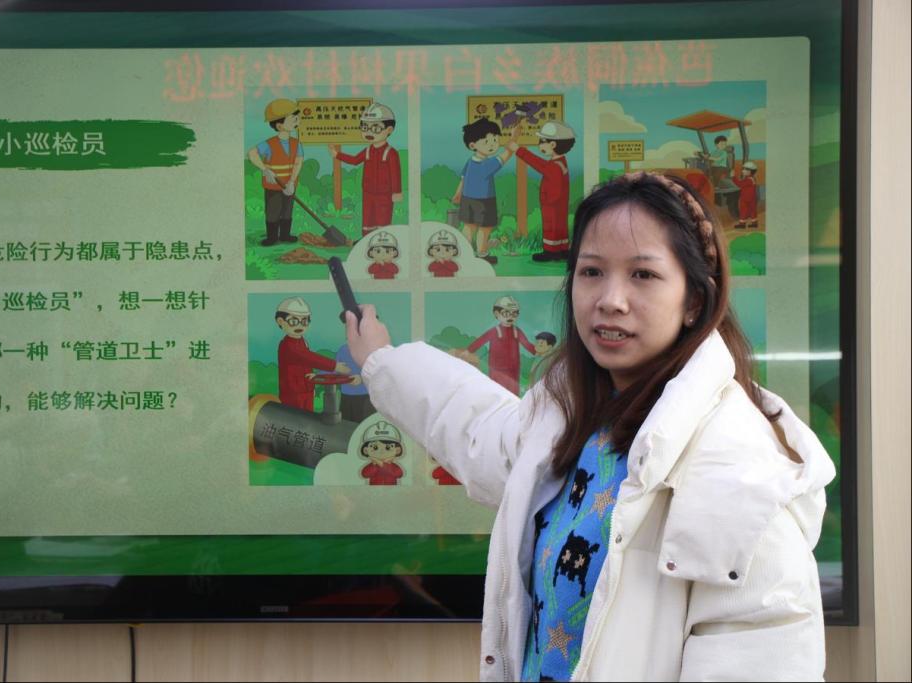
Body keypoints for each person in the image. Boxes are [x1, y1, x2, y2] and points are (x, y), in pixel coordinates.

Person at [344, 172, 834, 681]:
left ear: (694, 300)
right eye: (592, 271)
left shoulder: (739, 471)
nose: (610, 299)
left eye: (643, 274)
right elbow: (483, 432)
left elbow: (760, 654)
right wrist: (383, 361)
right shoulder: (574, 415)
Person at [329, 102, 403, 237]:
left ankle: (382, 240)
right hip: (368, 192)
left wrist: (396, 192)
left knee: (383, 218)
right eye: (365, 127)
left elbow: (395, 174)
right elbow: (354, 160)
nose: (369, 132)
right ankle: (366, 240)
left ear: (389, 130)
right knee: (368, 217)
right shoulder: (368, 150)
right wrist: (337, 155)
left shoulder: (391, 153)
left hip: (384, 195)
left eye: (375, 128)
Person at [506, 121, 576, 262]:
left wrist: (518, 149)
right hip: (560, 203)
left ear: (553, 144)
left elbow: (537, 163)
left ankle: (551, 252)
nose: (539, 145)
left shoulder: (554, 165)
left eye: (542, 142)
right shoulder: (561, 162)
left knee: (551, 226)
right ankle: (562, 249)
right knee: (560, 225)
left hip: (551, 203)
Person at [453, 117, 517, 265]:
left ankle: (464, 253)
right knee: (485, 228)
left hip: (467, 199)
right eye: (487, 141)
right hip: (484, 201)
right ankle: (482, 254)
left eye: (495, 140)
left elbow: (463, 178)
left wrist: (458, 193)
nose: (492, 144)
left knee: (468, 227)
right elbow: (506, 155)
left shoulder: (470, 161)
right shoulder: (487, 164)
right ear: (472, 145)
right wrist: (513, 139)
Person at [275, 297, 349, 412]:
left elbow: (306, 362)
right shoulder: (287, 345)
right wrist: (334, 366)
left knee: (309, 418)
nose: (300, 326)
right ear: (280, 321)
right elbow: (307, 357)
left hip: (307, 390)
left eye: (304, 321)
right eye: (293, 321)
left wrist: (314, 377)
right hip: (293, 394)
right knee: (297, 419)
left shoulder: (302, 341)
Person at [248, 99, 304, 246]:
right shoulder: (269, 144)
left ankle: (285, 235)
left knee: (287, 210)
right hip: (273, 186)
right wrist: (265, 169)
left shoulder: (296, 143)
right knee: (273, 212)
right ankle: (272, 237)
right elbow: (252, 154)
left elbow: (298, 162)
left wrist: (291, 182)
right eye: (293, 119)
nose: (297, 121)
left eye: (297, 118)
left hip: (289, 186)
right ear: (279, 125)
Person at [467, 295, 537, 396]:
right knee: (497, 393)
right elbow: (479, 342)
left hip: (513, 371)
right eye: (506, 313)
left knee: (513, 394)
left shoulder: (516, 331)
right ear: (497, 313)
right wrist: (467, 352)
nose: (510, 317)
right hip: (497, 370)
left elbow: (528, 345)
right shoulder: (494, 331)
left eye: (514, 314)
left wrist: (540, 352)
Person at [733, 160, 760, 228]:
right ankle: (754, 223)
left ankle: (742, 224)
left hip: (745, 199)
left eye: (745, 169)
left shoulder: (748, 180)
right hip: (752, 198)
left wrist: (733, 177)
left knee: (743, 210)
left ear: (750, 171)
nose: (743, 171)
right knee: (752, 210)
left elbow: (740, 184)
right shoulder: (752, 179)